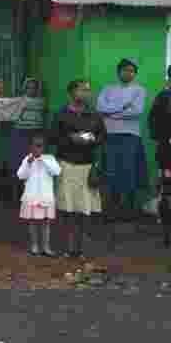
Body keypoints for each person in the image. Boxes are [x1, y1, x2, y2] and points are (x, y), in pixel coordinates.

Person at [54, 80, 106, 258]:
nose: (86, 93)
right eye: (82, 90)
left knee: (85, 209)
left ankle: (81, 248)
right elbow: (53, 137)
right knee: (67, 208)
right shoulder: (62, 114)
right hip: (67, 164)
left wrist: (91, 139)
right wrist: (71, 138)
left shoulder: (94, 114)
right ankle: (67, 247)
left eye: (88, 90)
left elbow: (102, 136)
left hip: (87, 165)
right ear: (72, 92)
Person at [97, 58, 149, 211]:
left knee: (129, 171)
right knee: (111, 170)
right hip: (110, 135)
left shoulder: (139, 90)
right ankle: (113, 207)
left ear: (135, 74)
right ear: (119, 72)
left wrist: (111, 114)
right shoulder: (108, 89)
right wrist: (123, 107)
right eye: (125, 70)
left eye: (132, 71)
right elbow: (100, 107)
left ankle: (129, 208)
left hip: (131, 135)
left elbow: (136, 111)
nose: (128, 73)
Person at [0, 78, 47, 202]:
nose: (31, 90)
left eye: (33, 87)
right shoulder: (23, 101)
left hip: (36, 134)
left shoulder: (40, 101)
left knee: (34, 164)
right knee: (19, 163)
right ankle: (18, 195)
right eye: (28, 87)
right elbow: (1, 110)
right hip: (21, 133)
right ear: (25, 89)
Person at [17, 133, 61, 256]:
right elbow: (21, 175)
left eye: (40, 146)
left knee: (45, 223)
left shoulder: (50, 158)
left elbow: (57, 171)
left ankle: (46, 247)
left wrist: (43, 160)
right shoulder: (27, 159)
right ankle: (35, 246)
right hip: (32, 196)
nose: (38, 148)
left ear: (44, 147)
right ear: (31, 147)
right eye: (35, 146)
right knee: (33, 223)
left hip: (45, 197)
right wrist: (29, 163)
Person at [149, 68, 171, 247]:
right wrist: (165, 138)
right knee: (167, 192)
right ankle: (167, 231)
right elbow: (153, 124)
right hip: (167, 153)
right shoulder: (163, 98)